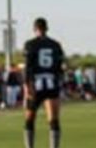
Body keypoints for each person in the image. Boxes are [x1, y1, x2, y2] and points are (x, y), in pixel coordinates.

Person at [23, 17, 65, 148]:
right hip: (52, 83)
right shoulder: (56, 44)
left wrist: (27, 86)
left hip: (36, 84)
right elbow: (59, 67)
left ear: (35, 29)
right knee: (53, 120)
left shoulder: (30, 44)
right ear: (46, 29)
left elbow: (28, 67)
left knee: (29, 119)